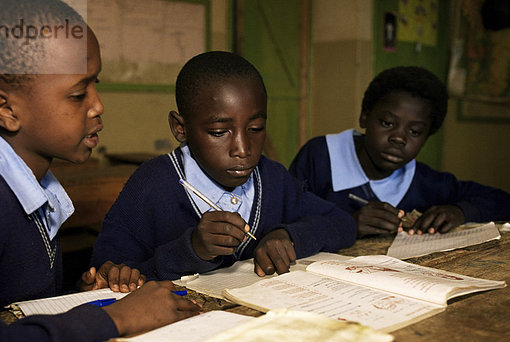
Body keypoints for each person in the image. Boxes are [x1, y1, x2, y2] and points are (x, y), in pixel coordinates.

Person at [0, 1, 199, 342]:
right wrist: (114, 319)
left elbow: (13, 304)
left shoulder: (29, 186)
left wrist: (82, 295)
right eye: (78, 93)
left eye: (95, 83)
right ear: (6, 110)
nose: (97, 105)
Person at [90, 51, 356, 280]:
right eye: (219, 132)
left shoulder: (272, 178)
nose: (242, 148)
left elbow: (341, 222)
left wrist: (286, 236)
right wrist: (192, 250)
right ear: (181, 128)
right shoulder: (151, 186)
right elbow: (105, 276)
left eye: (255, 128)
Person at [289, 66, 510, 238]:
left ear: (427, 137)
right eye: (388, 123)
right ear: (365, 116)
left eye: (415, 131)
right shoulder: (320, 157)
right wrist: (348, 224)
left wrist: (458, 211)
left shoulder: (424, 182)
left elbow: (505, 202)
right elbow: (284, 219)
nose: (399, 138)